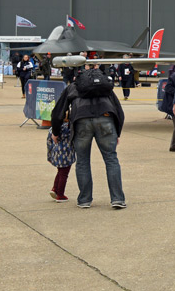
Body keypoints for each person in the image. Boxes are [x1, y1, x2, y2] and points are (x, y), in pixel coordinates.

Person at [50, 65, 126, 208]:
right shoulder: (105, 87)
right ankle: (117, 199)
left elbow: (58, 111)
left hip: (81, 121)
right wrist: (117, 132)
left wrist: (56, 131)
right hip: (106, 120)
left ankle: (84, 200)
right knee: (111, 159)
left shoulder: (72, 87)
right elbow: (119, 111)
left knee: (83, 161)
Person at [47, 116, 76, 202]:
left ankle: (55, 188)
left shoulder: (53, 128)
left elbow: (48, 142)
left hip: (56, 153)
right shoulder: (70, 128)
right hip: (67, 154)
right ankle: (60, 195)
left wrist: (49, 155)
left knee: (60, 172)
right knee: (64, 174)